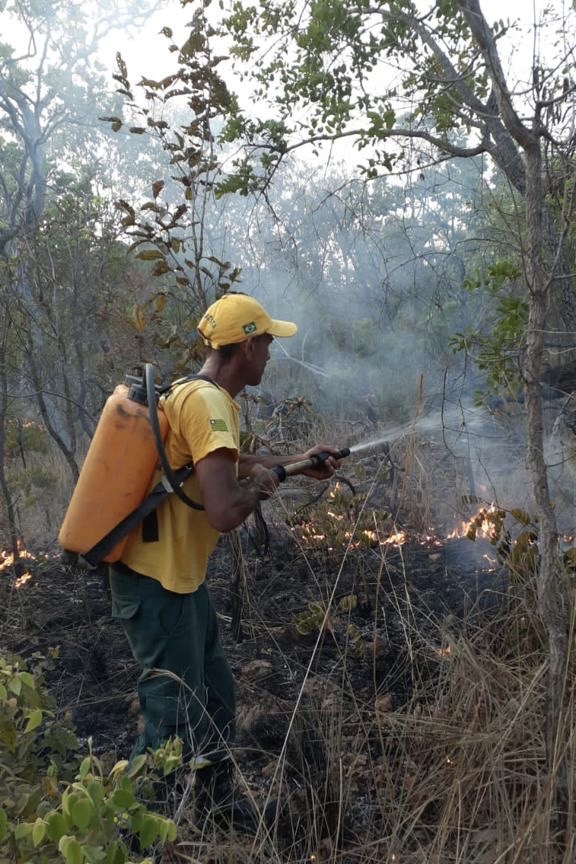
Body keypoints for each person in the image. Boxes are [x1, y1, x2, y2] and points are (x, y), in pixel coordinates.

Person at [109, 292, 342, 826]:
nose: (271, 354)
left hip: (178, 579)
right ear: (247, 346)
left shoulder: (198, 394)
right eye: (268, 343)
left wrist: (298, 462)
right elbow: (222, 511)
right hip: (156, 583)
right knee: (171, 715)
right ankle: (137, 836)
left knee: (215, 694)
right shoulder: (208, 403)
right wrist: (263, 487)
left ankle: (216, 807)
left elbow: (225, 464)